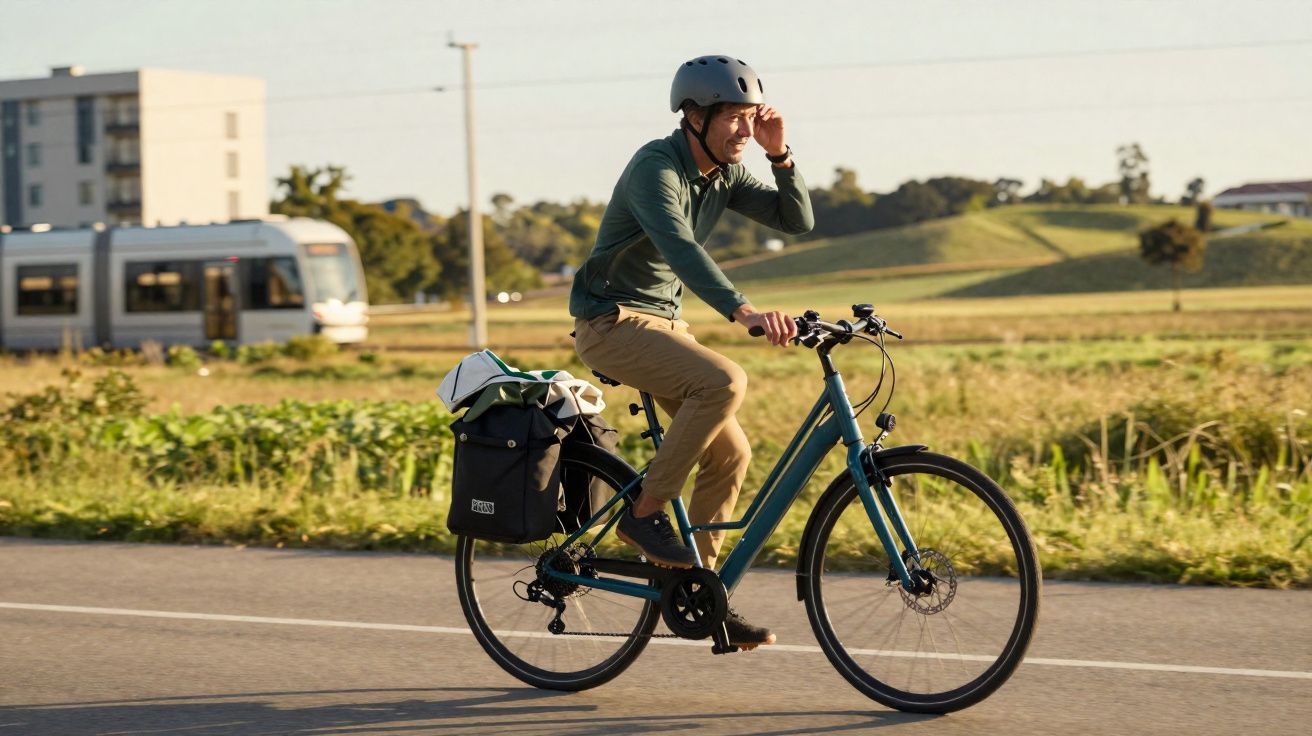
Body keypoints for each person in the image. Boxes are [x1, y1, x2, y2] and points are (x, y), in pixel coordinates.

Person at [569, 55, 813, 649]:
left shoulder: (725, 174)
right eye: (732, 117)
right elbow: (678, 247)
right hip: (610, 320)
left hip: (664, 325)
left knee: (731, 454)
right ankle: (645, 513)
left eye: (749, 117)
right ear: (693, 117)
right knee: (725, 382)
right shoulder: (656, 166)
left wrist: (780, 156)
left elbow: (796, 220)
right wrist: (743, 310)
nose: (742, 130)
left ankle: (698, 590)